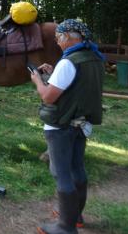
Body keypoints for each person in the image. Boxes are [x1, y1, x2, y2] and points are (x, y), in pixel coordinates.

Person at [30, 19, 105, 234]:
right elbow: (76, 85)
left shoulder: (68, 62)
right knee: (77, 170)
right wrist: (55, 73)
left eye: (58, 38)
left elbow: (48, 97)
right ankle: (75, 216)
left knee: (61, 173)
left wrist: (37, 79)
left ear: (68, 37)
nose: (57, 42)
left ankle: (65, 227)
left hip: (62, 126)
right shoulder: (94, 58)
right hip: (81, 124)